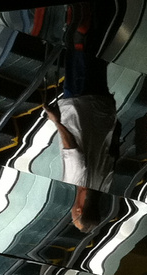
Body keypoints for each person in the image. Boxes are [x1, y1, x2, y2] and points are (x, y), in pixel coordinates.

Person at [41, 0, 120, 232]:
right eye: (74, 217)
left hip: (103, 107)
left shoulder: (105, 185)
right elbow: (72, 151)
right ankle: (82, 9)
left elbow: (114, 148)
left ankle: (102, 12)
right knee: (77, 45)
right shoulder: (79, 183)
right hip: (80, 104)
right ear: (78, 211)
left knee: (95, 56)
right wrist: (56, 121)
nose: (71, 213)